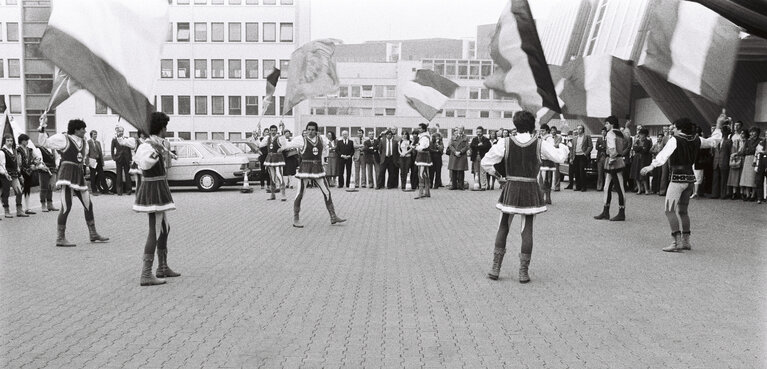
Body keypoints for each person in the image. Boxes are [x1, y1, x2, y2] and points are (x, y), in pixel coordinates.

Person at [481, 110, 569, 282]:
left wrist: (499, 177)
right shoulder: (539, 143)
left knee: (503, 227)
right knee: (527, 229)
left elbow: (486, 162)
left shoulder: (505, 142)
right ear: (532, 125)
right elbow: (559, 157)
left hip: (511, 187)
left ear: (516, 125)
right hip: (530, 188)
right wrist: (564, 142)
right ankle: (523, 272)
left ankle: (495, 268)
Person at [640, 115, 722, 252]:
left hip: (677, 180)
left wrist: (651, 166)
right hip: (690, 179)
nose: (673, 130)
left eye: (674, 128)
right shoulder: (697, 139)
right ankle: (686, 241)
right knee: (683, 211)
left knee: (669, 210)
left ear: (679, 129)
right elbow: (713, 141)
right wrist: (718, 126)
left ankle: (676, 242)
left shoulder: (675, 140)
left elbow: (663, 155)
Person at [38, 117, 109, 246]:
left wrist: (92, 167)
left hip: (79, 175)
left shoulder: (84, 142)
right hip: (67, 175)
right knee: (67, 206)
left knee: (89, 205)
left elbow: (85, 157)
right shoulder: (63, 138)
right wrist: (42, 128)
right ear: (76, 130)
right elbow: (44, 143)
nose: (85, 131)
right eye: (83, 129)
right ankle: (60, 238)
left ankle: (93, 233)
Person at [133, 112, 179, 286]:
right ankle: (146, 274)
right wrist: (156, 153)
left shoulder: (156, 144)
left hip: (159, 189)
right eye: (165, 127)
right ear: (161, 128)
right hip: (153, 191)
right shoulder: (147, 146)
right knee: (155, 230)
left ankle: (162, 267)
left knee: (165, 229)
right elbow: (144, 164)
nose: (166, 130)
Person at [287, 121, 346, 228]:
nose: (310, 131)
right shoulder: (301, 139)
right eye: (308, 129)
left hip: (318, 168)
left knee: (327, 192)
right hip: (305, 168)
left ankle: (333, 216)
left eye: (313, 129)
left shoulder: (321, 139)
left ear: (316, 131)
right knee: (300, 193)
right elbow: (288, 145)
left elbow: (327, 148)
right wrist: (281, 140)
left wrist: (324, 157)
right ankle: (296, 218)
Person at [594, 116, 628, 221]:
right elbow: (627, 141)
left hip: (613, 161)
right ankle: (606, 211)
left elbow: (612, 150)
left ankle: (620, 213)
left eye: (607, 123)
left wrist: (611, 158)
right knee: (609, 187)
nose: (605, 126)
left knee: (617, 188)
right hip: (617, 160)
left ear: (612, 124)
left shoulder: (610, 133)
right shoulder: (620, 133)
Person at [259, 124, 288, 201]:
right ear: (269, 131)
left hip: (278, 159)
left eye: (274, 130)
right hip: (270, 159)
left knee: (279, 176)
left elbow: (285, 145)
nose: (273, 132)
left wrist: (281, 149)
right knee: (272, 177)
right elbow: (260, 145)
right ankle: (272, 194)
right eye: (272, 130)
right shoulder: (267, 138)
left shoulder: (280, 138)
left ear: (276, 130)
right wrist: (256, 137)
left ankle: (283, 194)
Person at [1, 134, 27, 218]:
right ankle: (6, 211)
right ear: (4, 141)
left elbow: (16, 165)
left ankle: (19, 211)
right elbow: (2, 165)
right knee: (5, 193)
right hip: (5, 175)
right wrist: (5, 173)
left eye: (11, 141)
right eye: (8, 140)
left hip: (15, 174)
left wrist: (20, 175)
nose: (10, 142)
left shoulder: (14, 150)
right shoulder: (2, 151)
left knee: (19, 192)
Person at [34, 136, 59, 212]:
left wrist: (57, 164)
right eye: (44, 138)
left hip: (53, 169)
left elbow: (57, 157)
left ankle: (50, 204)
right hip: (44, 170)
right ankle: (43, 204)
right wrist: (42, 166)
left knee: (51, 186)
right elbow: (38, 160)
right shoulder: (39, 149)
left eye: (47, 138)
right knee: (44, 187)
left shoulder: (52, 148)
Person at [16, 134, 37, 214]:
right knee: (20, 190)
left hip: (29, 172)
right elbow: (18, 163)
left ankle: (27, 208)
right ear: (21, 141)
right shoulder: (17, 150)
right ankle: (19, 208)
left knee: (27, 189)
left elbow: (36, 158)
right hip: (21, 172)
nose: (27, 142)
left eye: (27, 140)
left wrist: (34, 164)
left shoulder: (30, 150)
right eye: (26, 140)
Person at [111, 126, 135, 195]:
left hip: (126, 159)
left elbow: (129, 149)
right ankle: (119, 191)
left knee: (128, 175)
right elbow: (112, 149)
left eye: (122, 131)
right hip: (118, 159)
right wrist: (114, 158)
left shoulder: (127, 139)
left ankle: (129, 190)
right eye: (119, 131)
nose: (120, 132)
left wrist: (130, 159)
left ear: (123, 132)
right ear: (117, 132)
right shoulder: (114, 139)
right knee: (119, 175)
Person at [739, 127, 761, 201]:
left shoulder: (760, 141)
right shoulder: (748, 141)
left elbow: (756, 150)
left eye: (754, 132)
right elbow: (744, 151)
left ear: (757, 132)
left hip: (754, 159)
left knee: (753, 177)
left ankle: (753, 195)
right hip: (747, 159)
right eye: (751, 132)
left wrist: (749, 150)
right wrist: (748, 150)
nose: (752, 133)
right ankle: (748, 194)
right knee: (746, 177)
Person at [570, 125, 593, 192]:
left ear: (583, 130)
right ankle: (578, 186)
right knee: (576, 172)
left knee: (582, 171)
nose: (578, 130)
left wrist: (585, 153)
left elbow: (590, 146)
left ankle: (584, 187)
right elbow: (572, 148)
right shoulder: (574, 138)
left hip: (583, 156)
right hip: (576, 156)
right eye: (577, 129)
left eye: (580, 129)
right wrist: (571, 158)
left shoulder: (587, 137)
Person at [538, 124, 557, 205]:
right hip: (542, 161)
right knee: (543, 179)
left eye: (543, 131)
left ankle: (545, 198)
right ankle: (546, 198)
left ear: (547, 131)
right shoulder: (542, 138)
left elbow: (550, 150)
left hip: (547, 161)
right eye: (541, 130)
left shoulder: (549, 139)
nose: (541, 132)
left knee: (545, 180)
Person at [711, 126, 731, 199]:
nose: (722, 133)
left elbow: (729, 152)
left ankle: (723, 194)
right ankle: (714, 194)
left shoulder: (729, 141)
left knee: (724, 179)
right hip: (716, 161)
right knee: (715, 178)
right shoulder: (717, 141)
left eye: (723, 131)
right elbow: (713, 151)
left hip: (724, 161)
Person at [630, 128, 652, 195]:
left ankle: (646, 189)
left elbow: (645, 150)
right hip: (637, 159)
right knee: (636, 174)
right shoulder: (637, 141)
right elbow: (634, 148)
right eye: (640, 134)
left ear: (645, 135)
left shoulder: (648, 142)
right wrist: (641, 147)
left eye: (641, 134)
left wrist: (639, 148)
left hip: (643, 159)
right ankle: (639, 189)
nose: (640, 135)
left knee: (643, 175)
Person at [470, 126, 492, 190]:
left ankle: (483, 186)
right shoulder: (474, 139)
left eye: (480, 132)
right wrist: (478, 145)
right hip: (475, 157)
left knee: (483, 172)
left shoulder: (486, 140)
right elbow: (472, 146)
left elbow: (487, 147)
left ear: (482, 132)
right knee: (476, 171)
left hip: (483, 157)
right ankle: (477, 185)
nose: (478, 133)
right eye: (477, 132)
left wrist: (477, 147)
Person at [413, 123, 432, 199]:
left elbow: (421, 148)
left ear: (423, 129)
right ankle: (427, 192)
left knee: (421, 174)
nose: (418, 129)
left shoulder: (424, 137)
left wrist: (414, 146)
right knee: (425, 174)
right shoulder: (423, 136)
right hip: (424, 156)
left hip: (423, 156)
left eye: (420, 128)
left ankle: (421, 193)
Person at [727, 121, 744, 199]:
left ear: (741, 127)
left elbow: (742, 147)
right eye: (735, 125)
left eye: (738, 125)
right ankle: (733, 192)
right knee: (733, 174)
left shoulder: (741, 136)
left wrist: (737, 153)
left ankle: (740, 192)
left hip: (739, 156)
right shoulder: (731, 136)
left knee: (739, 174)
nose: (736, 127)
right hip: (732, 156)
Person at [87, 130, 107, 195]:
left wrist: (102, 162)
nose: (95, 135)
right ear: (91, 135)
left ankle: (106, 190)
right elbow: (87, 153)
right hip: (92, 161)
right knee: (93, 176)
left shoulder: (98, 142)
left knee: (102, 175)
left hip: (98, 161)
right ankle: (94, 190)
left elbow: (100, 153)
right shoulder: (88, 142)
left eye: (96, 134)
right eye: (94, 134)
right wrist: (87, 163)